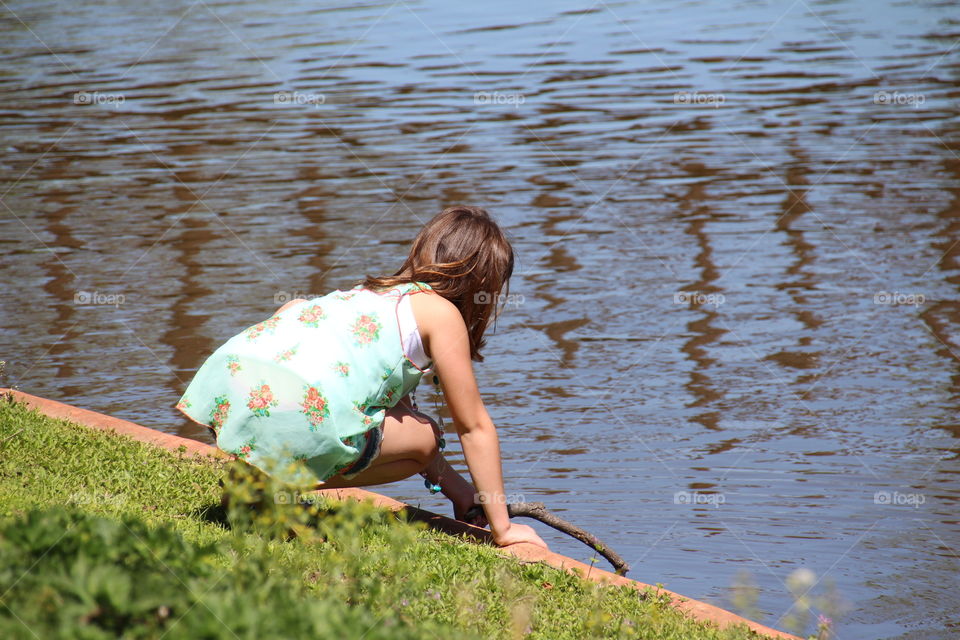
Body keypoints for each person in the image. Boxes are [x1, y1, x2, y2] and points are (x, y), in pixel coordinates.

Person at [176, 205, 548, 550]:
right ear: (483, 283)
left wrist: (463, 493)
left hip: (236, 384)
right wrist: (503, 528)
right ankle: (270, 488)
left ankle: (254, 478)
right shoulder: (442, 313)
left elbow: (389, 413)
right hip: (292, 414)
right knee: (425, 437)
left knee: (297, 309)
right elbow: (473, 427)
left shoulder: (372, 294)